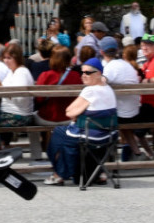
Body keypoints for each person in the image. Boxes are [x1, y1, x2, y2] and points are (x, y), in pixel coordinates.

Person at [43, 57, 118, 185]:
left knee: (58, 134)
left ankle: (59, 173)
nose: (83, 75)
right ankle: (97, 173)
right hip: (109, 135)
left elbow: (69, 112)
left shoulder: (90, 90)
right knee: (68, 138)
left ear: (98, 73)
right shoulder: (108, 89)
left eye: (88, 72)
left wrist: (79, 114)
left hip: (91, 135)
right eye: (82, 72)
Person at [100, 36, 142, 158]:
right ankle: (137, 152)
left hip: (123, 114)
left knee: (95, 116)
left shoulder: (110, 67)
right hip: (134, 110)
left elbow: (102, 82)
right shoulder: (125, 64)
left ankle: (107, 155)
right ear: (117, 50)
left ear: (101, 52)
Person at [0, 42, 35, 147]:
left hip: (19, 115)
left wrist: (0, 87)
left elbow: (19, 98)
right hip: (10, 112)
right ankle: (1, 149)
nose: (6, 61)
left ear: (17, 58)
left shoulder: (21, 72)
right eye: (4, 58)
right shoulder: (12, 71)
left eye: (9, 58)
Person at [34, 45, 83, 126]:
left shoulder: (45, 75)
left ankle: (45, 138)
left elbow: (39, 99)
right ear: (68, 59)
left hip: (47, 117)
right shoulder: (76, 76)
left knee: (35, 115)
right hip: (69, 117)